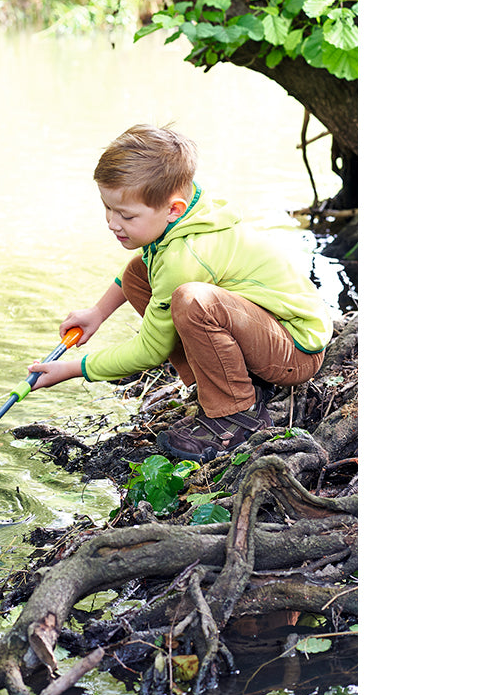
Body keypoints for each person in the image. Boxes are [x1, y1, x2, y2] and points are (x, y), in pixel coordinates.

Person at [27, 124, 333, 463]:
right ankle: (225, 387)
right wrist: (98, 313)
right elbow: (148, 267)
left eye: (126, 215)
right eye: (108, 208)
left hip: (295, 350)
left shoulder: (187, 254)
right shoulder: (189, 209)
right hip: (267, 332)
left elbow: (150, 350)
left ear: (173, 208)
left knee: (193, 302)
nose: (112, 223)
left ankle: (236, 416)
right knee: (138, 274)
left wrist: (73, 369)